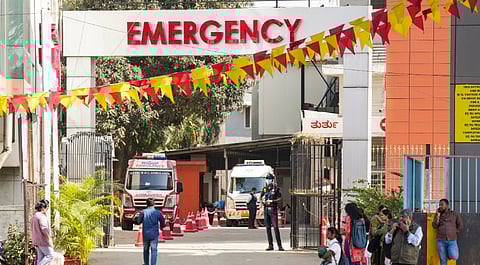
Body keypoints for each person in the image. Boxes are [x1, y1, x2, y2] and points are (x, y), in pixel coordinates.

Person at [432, 198, 464, 265]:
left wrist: (453, 231)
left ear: (447, 205)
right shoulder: (438, 214)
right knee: (443, 261)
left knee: (454, 256)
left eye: (442, 205)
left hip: (452, 240)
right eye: (439, 205)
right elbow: (434, 226)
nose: (440, 206)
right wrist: (437, 216)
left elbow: (460, 226)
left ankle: (448, 254)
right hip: (440, 241)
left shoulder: (454, 214)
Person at [31, 200, 63, 265]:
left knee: (40, 258)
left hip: (36, 241)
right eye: (47, 207)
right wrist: (49, 240)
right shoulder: (41, 216)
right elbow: (44, 229)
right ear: (43, 208)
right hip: (43, 241)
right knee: (51, 255)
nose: (47, 209)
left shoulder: (34, 216)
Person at [137, 198, 166, 265]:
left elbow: (138, 221)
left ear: (146, 204)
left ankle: (146, 263)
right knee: (154, 250)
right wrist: (162, 227)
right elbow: (163, 223)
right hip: (154, 235)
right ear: (154, 204)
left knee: (146, 250)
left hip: (146, 234)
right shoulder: (158, 212)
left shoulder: (143, 212)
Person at [260, 173, 284, 251]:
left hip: (273, 209)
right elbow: (260, 197)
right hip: (266, 209)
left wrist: (273, 201)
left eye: (269, 178)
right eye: (267, 179)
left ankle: (280, 246)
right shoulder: (265, 188)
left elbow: (280, 198)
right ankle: (270, 245)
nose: (268, 180)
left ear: (272, 179)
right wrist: (262, 201)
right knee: (267, 228)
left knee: (276, 227)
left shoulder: (276, 188)